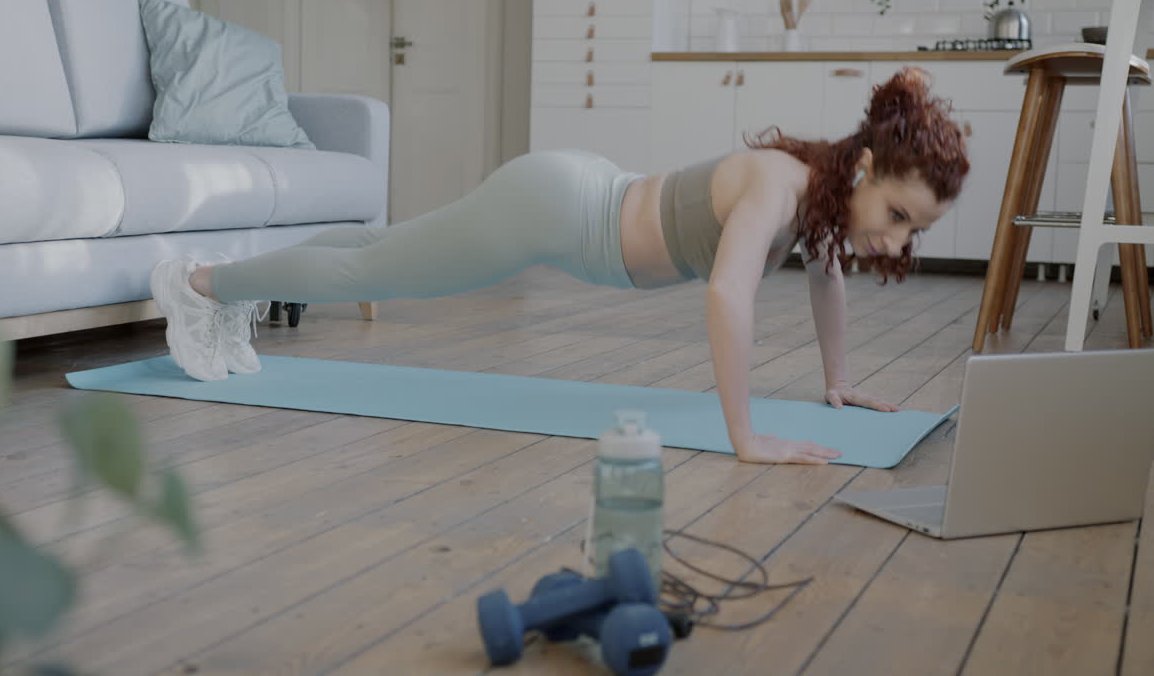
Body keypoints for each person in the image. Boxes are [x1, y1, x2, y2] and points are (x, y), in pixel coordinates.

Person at [150, 66, 970, 466]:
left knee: (375, 253)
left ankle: (230, 279)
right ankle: (199, 286)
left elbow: (825, 275)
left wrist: (837, 380)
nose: (897, 243)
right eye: (898, 217)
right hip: (552, 210)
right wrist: (745, 437)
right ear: (864, 171)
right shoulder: (781, 182)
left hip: (571, 194)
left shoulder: (819, 192)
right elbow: (728, 294)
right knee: (376, 273)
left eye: (914, 232)